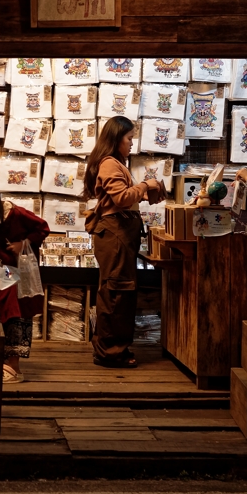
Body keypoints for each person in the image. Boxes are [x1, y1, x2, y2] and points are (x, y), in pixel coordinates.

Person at [83, 116, 166, 369]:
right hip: (114, 234)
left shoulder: (116, 164)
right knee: (117, 292)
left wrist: (146, 190)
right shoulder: (110, 163)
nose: (132, 143)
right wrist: (145, 184)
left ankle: (112, 348)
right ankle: (111, 352)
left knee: (118, 290)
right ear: (116, 138)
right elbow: (120, 198)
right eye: (129, 138)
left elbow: (123, 198)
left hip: (117, 235)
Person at [0, 179, 50, 384]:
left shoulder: (16, 213)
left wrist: (22, 243)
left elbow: (43, 228)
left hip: (17, 270)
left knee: (15, 313)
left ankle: (14, 366)